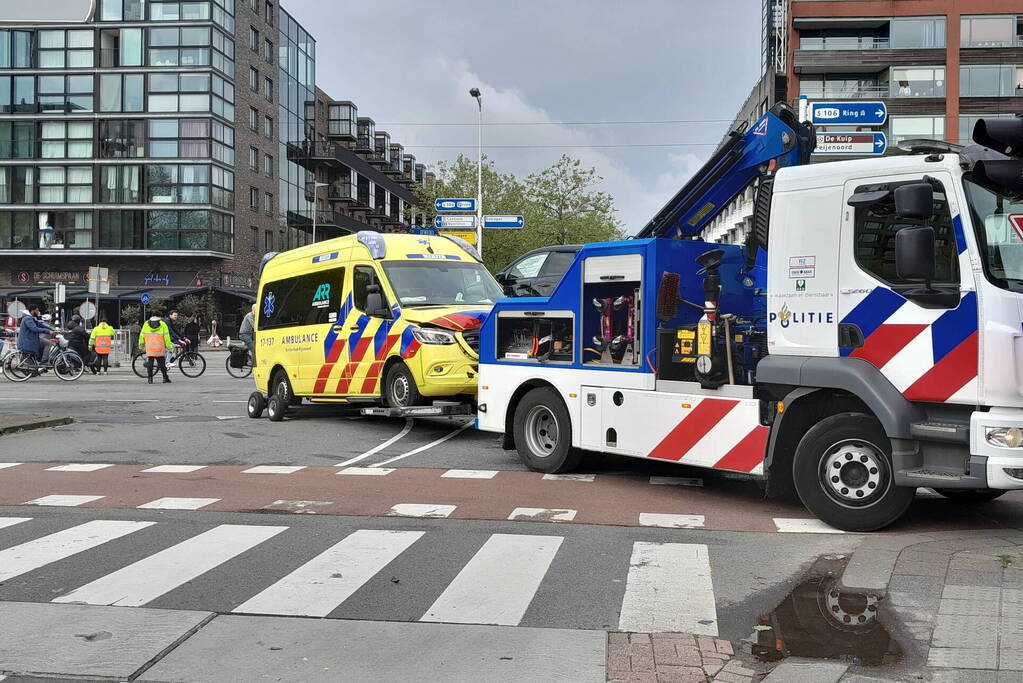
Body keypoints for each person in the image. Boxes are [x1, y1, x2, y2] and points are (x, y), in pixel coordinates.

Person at [139, 312, 173, 384]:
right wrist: (169, 347)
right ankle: (165, 378)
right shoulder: (163, 324)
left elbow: (142, 336)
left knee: (150, 363)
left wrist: (141, 345)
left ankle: (150, 379)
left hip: (150, 347)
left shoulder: (146, 324)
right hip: (160, 347)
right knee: (162, 364)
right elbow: (167, 337)